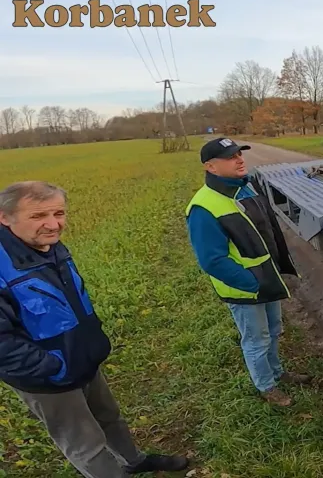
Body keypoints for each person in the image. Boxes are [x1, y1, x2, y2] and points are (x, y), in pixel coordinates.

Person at [0, 181, 189, 477]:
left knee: (109, 418)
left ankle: (133, 461)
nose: (53, 224)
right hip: (48, 377)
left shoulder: (46, 244)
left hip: (81, 357)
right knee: (86, 444)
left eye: (59, 213)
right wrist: (54, 367)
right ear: (5, 217)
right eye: (38, 216)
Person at [185, 137, 310, 407]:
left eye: (239, 154)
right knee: (257, 339)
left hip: (266, 279)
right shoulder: (203, 208)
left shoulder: (246, 189)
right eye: (231, 157)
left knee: (274, 330)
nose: (240, 159)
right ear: (211, 167)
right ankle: (266, 386)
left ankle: (277, 372)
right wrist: (253, 283)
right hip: (246, 288)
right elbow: (212, 261)